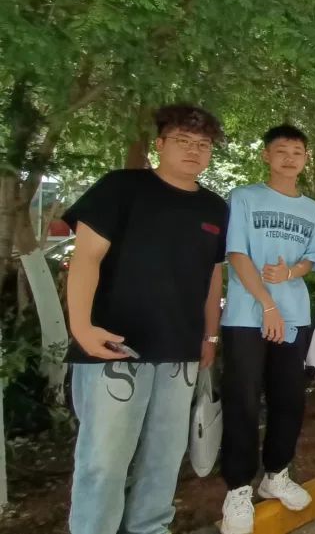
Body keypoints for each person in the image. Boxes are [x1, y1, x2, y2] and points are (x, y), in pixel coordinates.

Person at [63, 104, 227, 534]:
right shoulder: (120, 187)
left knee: (164, 457)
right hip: (113, 346)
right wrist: (81, 328)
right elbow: (85, 259)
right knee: (103, 461)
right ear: (160, 144)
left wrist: (210, 337)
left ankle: (150, 528)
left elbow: (213, 276)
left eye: (203, 144)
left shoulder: (215, 208)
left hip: (179, 351)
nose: (193, 150)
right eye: (182, 141)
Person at [219, 125, 315, 533]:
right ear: (266, 155)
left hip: (294, 315)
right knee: (243, 401)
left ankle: (276, 474)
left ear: (305, 159)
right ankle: (237, 489)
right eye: (281, 150)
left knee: (289, 399)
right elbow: (236, 254)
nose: (289, 158)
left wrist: (290, 272)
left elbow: (312, 258)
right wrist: (267, 304)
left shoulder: (312, 209)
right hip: (247, 316)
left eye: (297, 151)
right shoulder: (244, 197)